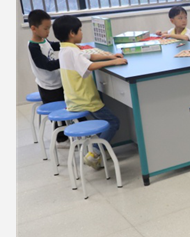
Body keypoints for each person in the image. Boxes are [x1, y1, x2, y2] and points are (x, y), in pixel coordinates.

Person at [53, 15, 127, 170]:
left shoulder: (65, 50)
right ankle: (95, 152)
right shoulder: (73, 52)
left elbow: (90, 56)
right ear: (72, 33)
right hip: (86, 100)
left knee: (107, 122)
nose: (82, 32)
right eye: (80, 30)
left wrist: (109, 55)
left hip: (73, 98)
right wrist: (114, 61)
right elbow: (90, 65)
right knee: (114, 122)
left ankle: (100, 150)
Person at [27, 9, 69, 145]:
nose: (48, 31)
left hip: (57, 82)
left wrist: (68, 45)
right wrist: (66, 59)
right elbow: (47, 65)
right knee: (57, 115)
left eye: (49, 28)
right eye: (45, 28)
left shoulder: (43, 40)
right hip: (48, 87)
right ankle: (61, 140)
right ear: (34, 28)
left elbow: (53, 45)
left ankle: (66, 134)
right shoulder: (33, 47)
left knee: (64, 110)